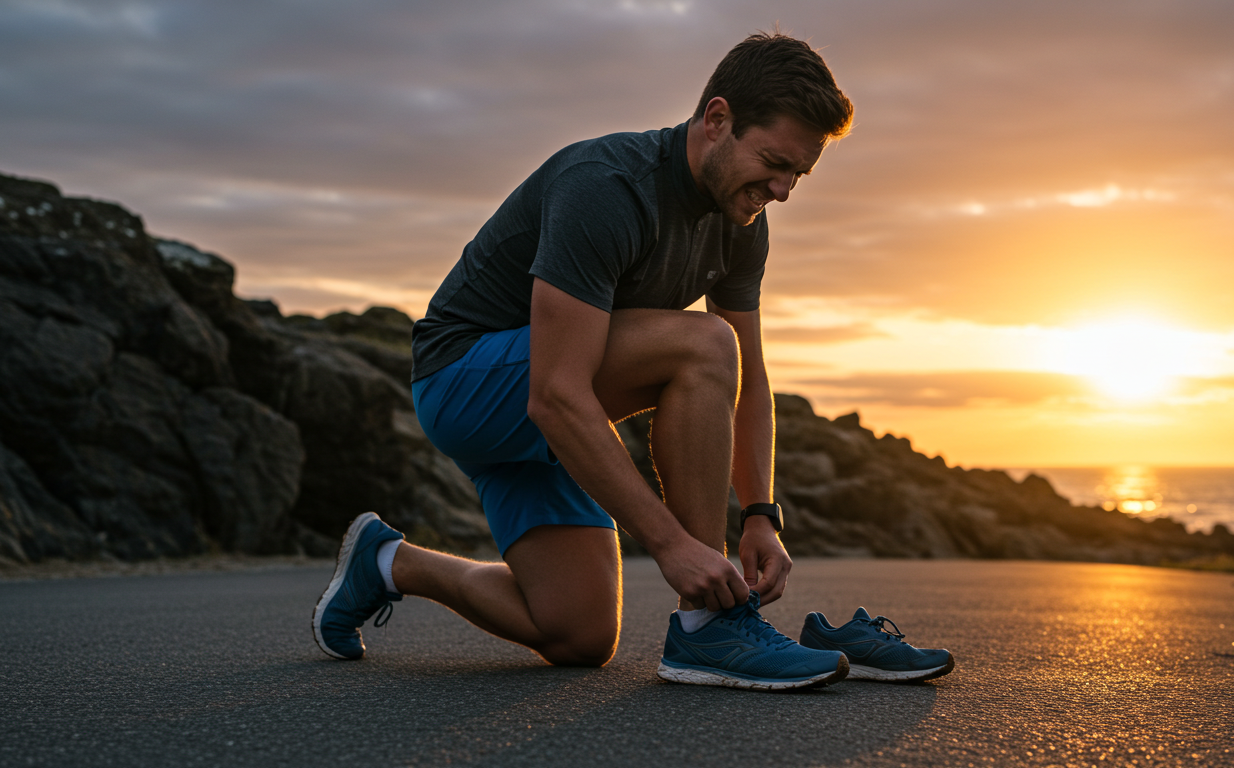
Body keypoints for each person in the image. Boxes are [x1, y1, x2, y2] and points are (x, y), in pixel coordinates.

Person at [312, 31, 954, 690]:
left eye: (799, 172)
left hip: (549, 420)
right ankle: (710, 630)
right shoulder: (608, 186)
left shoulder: (741, 224)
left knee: (579, 634)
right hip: (464, 383)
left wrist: (760, 515)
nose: (785, 188)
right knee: (703, 344)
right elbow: (556, 395)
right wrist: (674, 544)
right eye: (774, 161)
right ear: (717, 120)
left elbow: (750, 383)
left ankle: (388, 563)